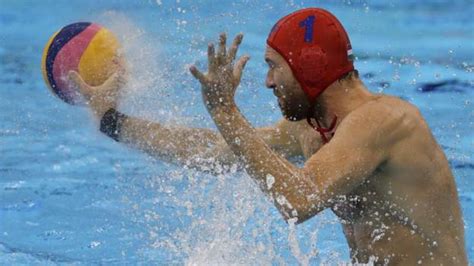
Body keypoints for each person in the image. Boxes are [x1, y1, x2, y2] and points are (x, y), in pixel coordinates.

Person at [68, 7, 467, 265]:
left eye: (274, 67)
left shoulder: (385, 120)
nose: (268, 82)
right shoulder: (311, 131)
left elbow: (298, 200)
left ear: (310, 67)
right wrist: (112, 121)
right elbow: (214, 150)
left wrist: (226, 111)